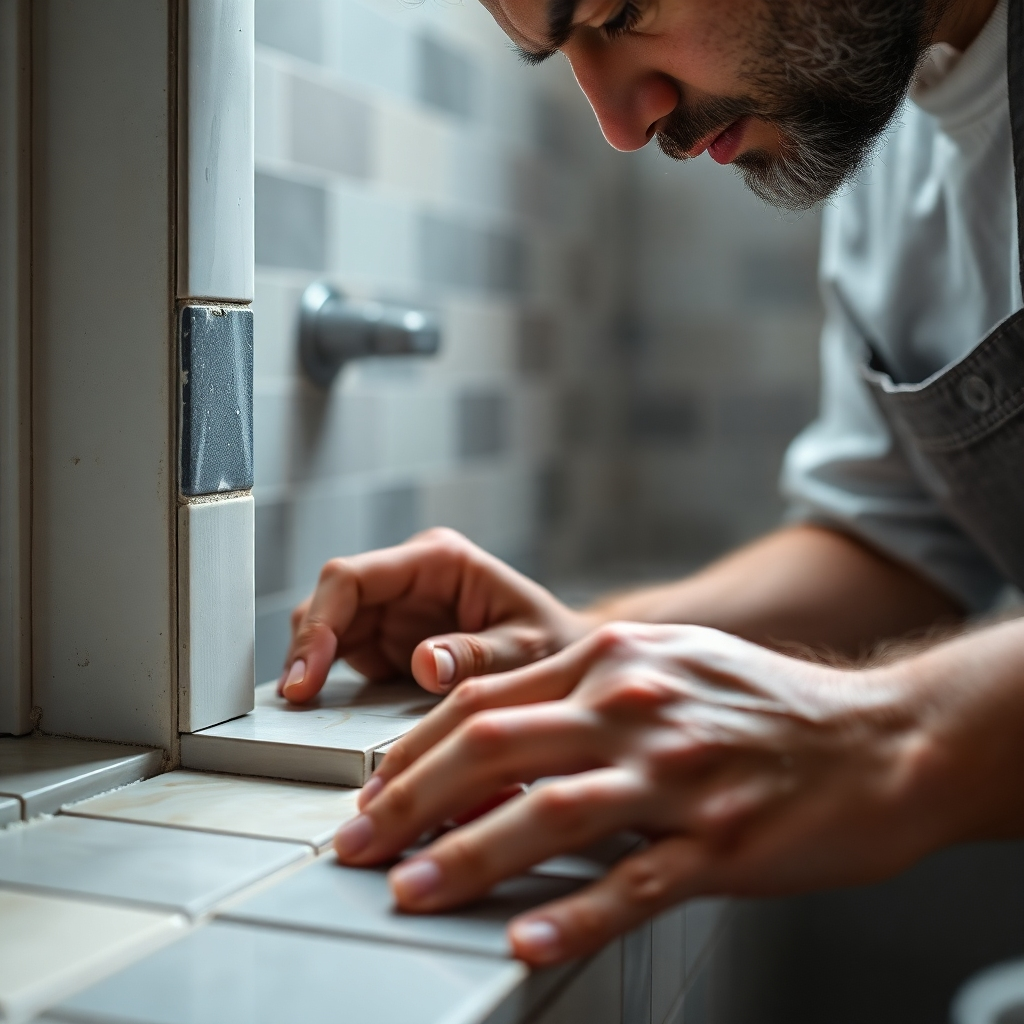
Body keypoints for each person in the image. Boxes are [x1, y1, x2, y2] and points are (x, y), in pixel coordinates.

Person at [278, 0, 1024, 967]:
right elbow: (899, 538)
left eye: (620, 10)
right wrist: (586, 643)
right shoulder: (902, 153)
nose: (623, 126)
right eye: (562, 56)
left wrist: (895, 735)